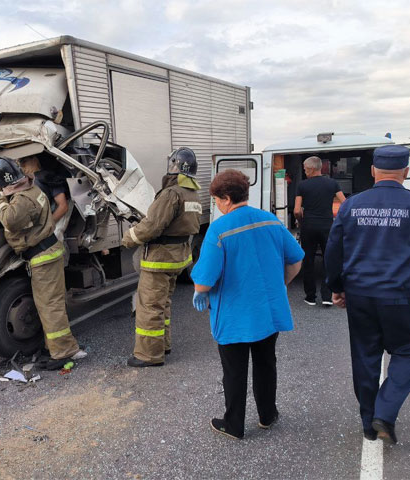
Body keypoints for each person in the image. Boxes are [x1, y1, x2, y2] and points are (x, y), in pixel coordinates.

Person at [324, 145, 410, 444]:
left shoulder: (351, 206)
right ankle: (384, 412)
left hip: (360, 295)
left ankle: (369, 422)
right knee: (406, 353)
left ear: (373, 171)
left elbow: (334, 250)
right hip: (401, 296)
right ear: (406, 172)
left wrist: (336, 287)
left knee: (365, 357)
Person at [191, 169, 304, 440]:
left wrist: (200, 292)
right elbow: (296, 261)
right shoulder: (270, 220)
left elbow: (204, 281)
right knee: (266, 363)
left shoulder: (219, 229)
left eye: (217, 200)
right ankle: (267, 415)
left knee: (234, 370)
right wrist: (280, 285)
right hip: (267, 310)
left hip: (234, 314)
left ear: (227, 198)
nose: (217, 205)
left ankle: (234, 425)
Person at [0, 156, 86, 369]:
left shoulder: (21, 199)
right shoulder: (31, 187)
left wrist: (1, 200)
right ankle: (59, 346)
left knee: (50, 306)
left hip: (43, 256)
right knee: (52, 304)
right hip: (48, 252)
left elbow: (10, 220)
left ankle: (62, 354)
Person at [121, 147, 202, 368]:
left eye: (172, 165)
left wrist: (129, 237)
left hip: (159, 260)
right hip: (177, 258)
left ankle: (149, 355)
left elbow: (152, 226)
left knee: (149, 307)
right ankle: (162, 345)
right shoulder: (192, 193)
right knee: (163, 305)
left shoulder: (171, 194)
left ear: (176, 167)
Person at [294, 156, 346, 306]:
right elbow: (345, 203)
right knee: (328, 259)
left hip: (309, 226)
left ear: (310, 169)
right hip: (327, 226)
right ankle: (327, 296)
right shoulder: (332, 183)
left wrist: (301, 219)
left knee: (308, 260)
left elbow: (297, 210)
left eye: (305, 169)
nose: (304, 171)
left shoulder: (302, 185)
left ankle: (310, 297)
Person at [18, 155, 72, 240]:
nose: (22, 166)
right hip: (34, 218)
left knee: (55, 236)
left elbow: (63, 206)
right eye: (19, 163)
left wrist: (47, 225)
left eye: (24, 162)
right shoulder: (24, 181)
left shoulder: (49, 177)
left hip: (53, 213)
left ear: (35, 159)